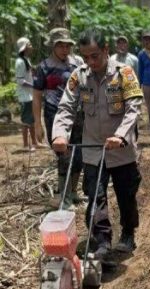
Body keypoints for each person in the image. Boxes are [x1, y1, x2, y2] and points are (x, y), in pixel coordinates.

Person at [52, 28, 143, 259]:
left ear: (106, 50)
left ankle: (128, 233)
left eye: (95, 56)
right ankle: (102, 240)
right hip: (92, 149)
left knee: (126, 195)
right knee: (95, 196)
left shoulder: (125, 74)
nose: (90, 62)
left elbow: (133, 108)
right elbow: (66, 107)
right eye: (86, 57)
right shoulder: (79, 76)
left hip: (121, 150)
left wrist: (121, 135)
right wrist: (59, 134)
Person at [32, 28, 84, 208]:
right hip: (54, 114)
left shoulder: (77, 63)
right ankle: (64, 195)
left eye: (67, 45)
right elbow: (37, 95)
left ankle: (73, 191)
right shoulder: (44, 67)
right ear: (53, 46)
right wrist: (37, 123)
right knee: (63, 154)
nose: (64, 49)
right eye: (60, 45)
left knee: (79, 154)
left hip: (77, 113)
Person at [15, 37, 44, 151]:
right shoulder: (20, 62)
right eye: (29, 44)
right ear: (25, 47)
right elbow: (20, 81)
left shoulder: (26, 60)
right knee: (26, 121)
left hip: (30, 95)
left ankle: (35, 142)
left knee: (31, 120)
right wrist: (34, 86)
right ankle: (26, 145)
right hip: (25, 96)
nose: (31, 46)